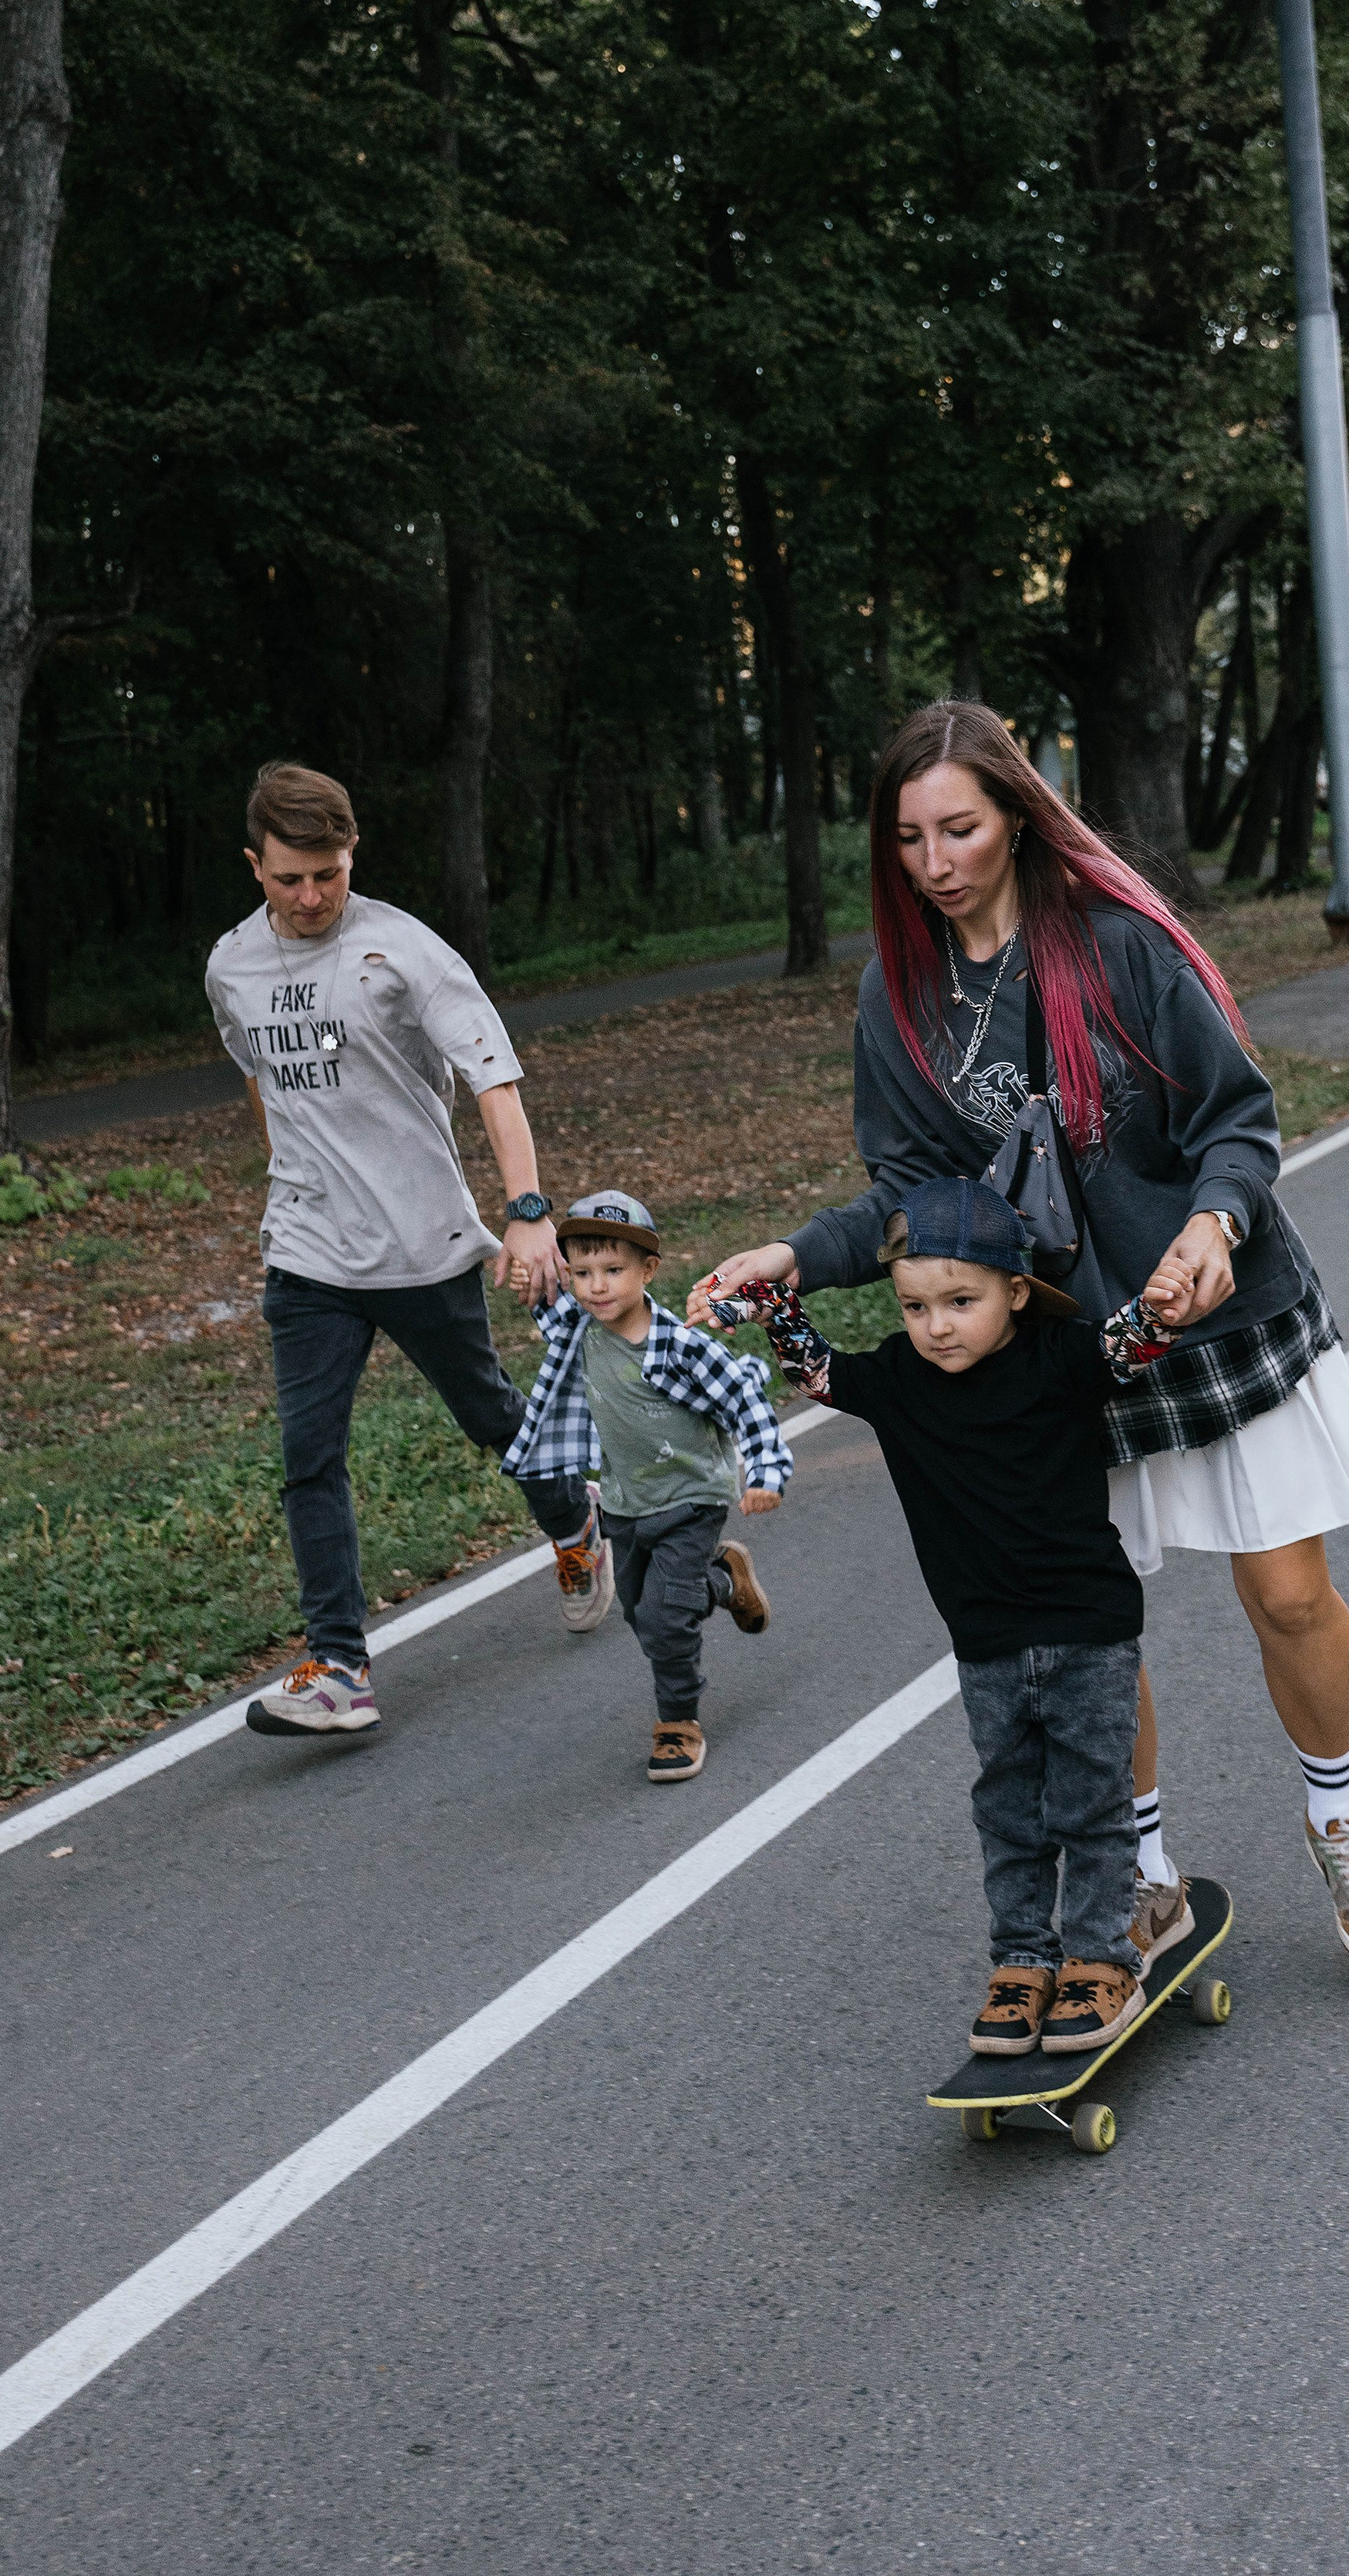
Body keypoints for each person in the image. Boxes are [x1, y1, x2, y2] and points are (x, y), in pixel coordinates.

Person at [692, 700, 1349, 1977]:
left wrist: (1212, 1224)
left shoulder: (1119, 943)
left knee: (1289, 1595)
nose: (936, 861)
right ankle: (1140, 1868)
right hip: (1066, 1357)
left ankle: (1340, 1813)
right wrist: (795, 1257)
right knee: (1088, 1628)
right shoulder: (901, 999)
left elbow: (1239, 1120)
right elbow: (917, 1203)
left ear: (1017, 818)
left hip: (1219, 1310)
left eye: (960, 828)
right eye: (911, 837)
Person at [205, 759, 617, 1741]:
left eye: (329, 875)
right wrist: (292, 1167)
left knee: (491, 1417)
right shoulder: (230, 965)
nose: (310, 898)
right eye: (288, 878)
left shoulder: (403, 951)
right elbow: (259, 1074)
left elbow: (494, 1079)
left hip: (422, 1241)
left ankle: (573, 1519)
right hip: (307, 1251)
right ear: (254, 865)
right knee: (309, 1456)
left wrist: (526, 1211)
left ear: (354, 857)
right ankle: (338, 1667)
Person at [725, 1177, 1179, 2052]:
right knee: (1008, 1808)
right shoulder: (899, 1379)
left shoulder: (1061, 1355)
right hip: (985, 1645)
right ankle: (1021, 1959)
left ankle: (1099, 1956)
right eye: (915, 1306)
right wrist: (768, 1298)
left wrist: (1163, 1302)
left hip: (1087, 1630)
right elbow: (816, 1372)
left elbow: (1133, 1349)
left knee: (1089, 1802)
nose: (937, 1326)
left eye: (961, 1302)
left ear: (1014, 1291)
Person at [504, 1191, 791, 1780]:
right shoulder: (579, 1331)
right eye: (582, 1273)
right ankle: (724, 1579)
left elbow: (745, 1402)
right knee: (640, 1612)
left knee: (664, 1619)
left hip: (692, 1500)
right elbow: (540, 1294)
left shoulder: (679, 1346)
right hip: (626, 1505)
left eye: (613, 1271)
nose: (597, 1287)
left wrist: (765, 1472)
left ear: (648, 1271)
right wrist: (522, 1269)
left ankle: (678, 1722)